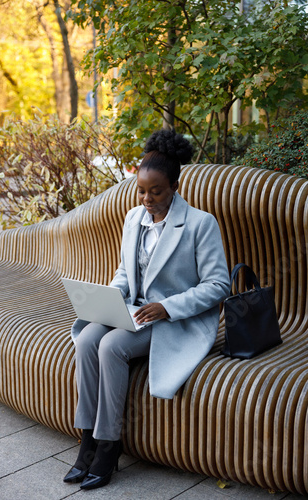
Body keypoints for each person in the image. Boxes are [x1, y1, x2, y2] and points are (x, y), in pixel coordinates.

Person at [63, 129, 230, 490]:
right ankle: (87, 437)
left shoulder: (201, 224)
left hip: (173, 320)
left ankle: (109, 444)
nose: (147, 199)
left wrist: (166, 307)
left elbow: (218, 286)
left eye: (156, 191)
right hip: (133, 312)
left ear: (174, 184)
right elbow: (126, 273)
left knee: (111, 346)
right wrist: (106, 298)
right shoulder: (132, 220)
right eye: (141, 190)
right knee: (88, 337)